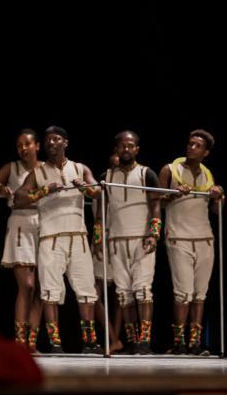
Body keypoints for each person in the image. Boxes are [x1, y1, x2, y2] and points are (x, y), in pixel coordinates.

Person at [14, 126, 103, 354]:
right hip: (51, 238)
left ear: (65, 142)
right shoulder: (38, 173)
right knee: (50, 293)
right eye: (48, 140)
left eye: (56, 139)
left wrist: (87, 189)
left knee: (86, 291)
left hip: (78, 237)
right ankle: (55, 343)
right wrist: (43, 191)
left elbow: (99, 192)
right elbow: (19, 198)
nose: (51, 143)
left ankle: (89, 342)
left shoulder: (80, 168)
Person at [159, 129, 224, 355]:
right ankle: (179, 343)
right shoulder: (170, 169)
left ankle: (194, 343)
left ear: (206, 152)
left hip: (204, 238)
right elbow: (157, 201)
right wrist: (173, 193)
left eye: (197, 146)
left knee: (200, 294)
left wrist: (219, 194)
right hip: (179, 237)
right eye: (190, 143)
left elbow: (216, 210)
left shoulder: (208, 174)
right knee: (183, 292)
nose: (191, 148)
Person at [96, 131, 161, 354]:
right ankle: (133, 341)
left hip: (141, 239)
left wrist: (153, 234)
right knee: (124, 293)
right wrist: (98, 239)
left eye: (130, 145)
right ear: (117, 148)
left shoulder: (147, 174)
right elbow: (100, 212)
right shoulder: (106, 176)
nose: (126, 149)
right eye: (122, 145)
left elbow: (155, 207)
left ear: (137, 149)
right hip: (116, 239)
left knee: (143, 290)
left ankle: (145, 341)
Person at [0, 129, 44, 352]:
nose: (23, 148)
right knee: (26, 285)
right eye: (19, 145)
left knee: (41, 288)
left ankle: (32, 343)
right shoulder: (11, 168)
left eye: (27, 144)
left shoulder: (46, 168)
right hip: (20, 224)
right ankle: (19, 342)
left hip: (44, 224)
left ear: (37, 145)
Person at [91, 153, 123, 353]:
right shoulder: (101, 185)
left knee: (122, 293)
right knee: (94, 293)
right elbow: (98, 217)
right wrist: (97, 240)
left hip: (121, 238)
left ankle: (116, 340)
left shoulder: (127, 188)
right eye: (112, 166)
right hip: (102, 238)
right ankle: (111, 337)